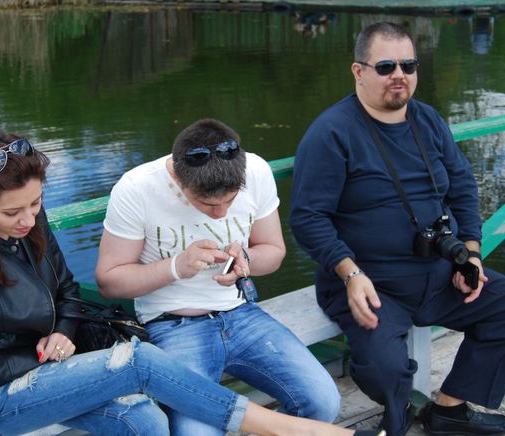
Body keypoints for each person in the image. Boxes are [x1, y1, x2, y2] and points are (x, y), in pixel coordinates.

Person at [0, 130, 382, 436]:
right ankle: (292, 429)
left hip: (61, 369)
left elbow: (68, 295)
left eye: (36, 204)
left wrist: (62, 334)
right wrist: (43, 357)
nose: (28, 219)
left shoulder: (33, 226)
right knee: (134, 362)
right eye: (12, 212)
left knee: (149, 425)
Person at [289, 22, 505, 436]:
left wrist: (470, 254)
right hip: (370, 283)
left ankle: (448, 410)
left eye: (408, 64)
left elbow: (462, 188)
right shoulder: (331, 132)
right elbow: (307, 218)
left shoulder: (429, 120)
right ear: (358, 71)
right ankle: (399, 408)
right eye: (385, 66)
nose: (398, 75)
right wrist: (349, 274)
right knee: (384, 368)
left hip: (440, 274)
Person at [95, 118, 343, 436]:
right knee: (195, 433)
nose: (221, 213)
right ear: (179, 180)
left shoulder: (255, 170)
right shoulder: (137, 188)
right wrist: (176, 267)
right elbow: (109, 280)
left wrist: (247, 260)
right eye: (208, 204)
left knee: (322, 404)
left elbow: (274, 252)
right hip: (172, 325)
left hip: (242, 314)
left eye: (230, 201)